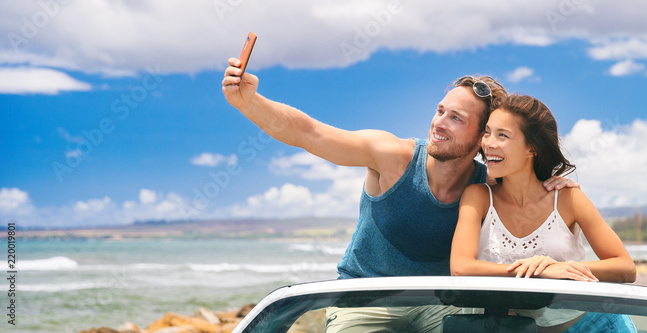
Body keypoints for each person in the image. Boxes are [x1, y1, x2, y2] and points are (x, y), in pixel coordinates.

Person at [222, 59, 576, 332]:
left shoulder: (488, 189)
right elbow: (308, 132)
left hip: (440, 305)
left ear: (483, 136)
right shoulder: (392, 156)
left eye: (456, 118)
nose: (439, 123)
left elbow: (535, 197)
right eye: (440, 111)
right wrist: (249, 101)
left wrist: (555, 183)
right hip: (362, 301)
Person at [451, 94, 637, 332]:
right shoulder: (478, 196)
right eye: (487, 132)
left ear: (532, 148)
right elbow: (461, 267)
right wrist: (542, 271)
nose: (488, 143)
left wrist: (563, 268)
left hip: (582, 325)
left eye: (503, 135)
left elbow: (625, 268)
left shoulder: (569, 198)